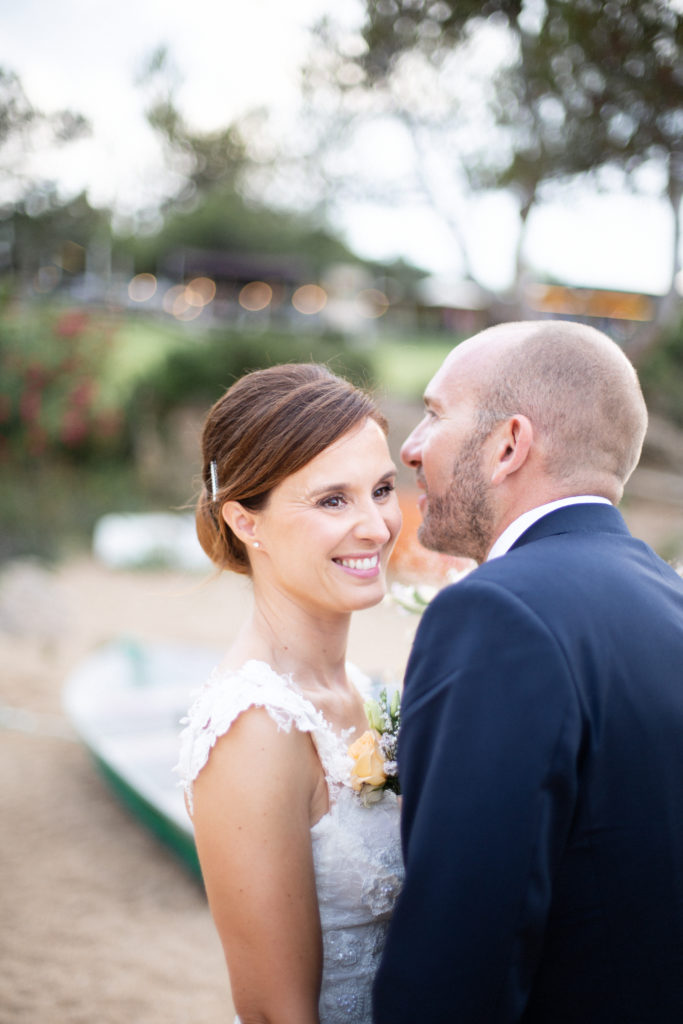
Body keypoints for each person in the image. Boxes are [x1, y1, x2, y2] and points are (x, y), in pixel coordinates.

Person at [373, 319, 683, 1023]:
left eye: (432, 414)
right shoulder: (670, 602)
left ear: (508, 444)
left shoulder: (496, 614)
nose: (410, 447)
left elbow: (461, 945)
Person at [176, 363, 404, 1024]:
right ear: (246, 521)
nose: (376, 527)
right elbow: (278, 1014)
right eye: (332, 500)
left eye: (382, 489)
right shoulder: (254, 727)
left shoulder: (357, 687)